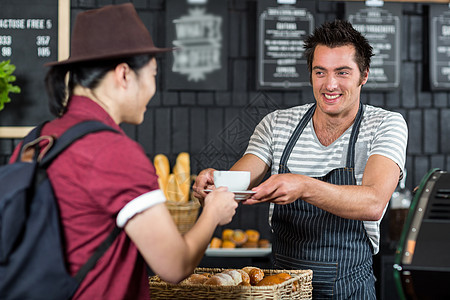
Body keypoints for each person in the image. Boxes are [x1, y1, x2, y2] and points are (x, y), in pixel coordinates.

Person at [10, 4, 238, 299]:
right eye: (153, 74)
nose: (153, 89)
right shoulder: (114, 154)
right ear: (124, 75)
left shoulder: (37, 140)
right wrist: (213, 213)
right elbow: (175, 266)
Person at [193, 20, 408, 299]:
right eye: (320, 72)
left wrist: (304, 187)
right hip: (281, 288)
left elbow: (373, 202)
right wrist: (215, 183)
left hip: (349, 289)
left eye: (342, 72)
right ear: (310, 74)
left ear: (363, 75)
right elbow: (239, 182)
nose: (330, 85)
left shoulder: (385, 125)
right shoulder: (277, 124)